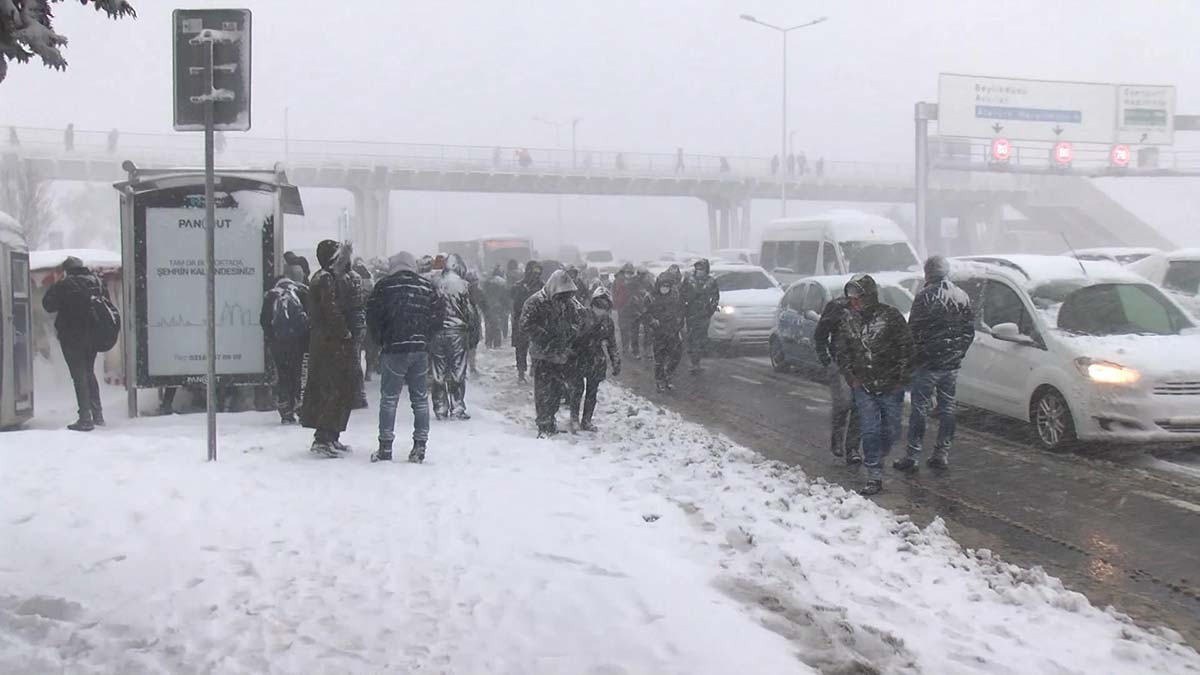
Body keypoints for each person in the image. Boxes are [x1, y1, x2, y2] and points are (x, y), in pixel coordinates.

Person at [895, 256, 975, 472]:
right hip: (951, 366)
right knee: (947, 408)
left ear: (928, 272)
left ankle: (912, 455)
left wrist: (913, 358)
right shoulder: (962, 296)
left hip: (927, 364)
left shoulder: (924, 297)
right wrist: (957, 354)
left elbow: (913, 331)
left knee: (919, 409)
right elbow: (968, 331)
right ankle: (941, 452)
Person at [836, 275, 914, 496]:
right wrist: (851, 376)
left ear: (868, 296)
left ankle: (879, 456)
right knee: (869, 430)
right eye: (851, 298)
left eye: (858, 298)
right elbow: (842, 351)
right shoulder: (848, 321)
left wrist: (901, 377)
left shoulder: (891, 317)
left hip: (891, 384)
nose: (854, 302)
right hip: (864, 386)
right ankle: (874, 475)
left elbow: (906, 347)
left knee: (891, 430)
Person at [367, 251, 445, 464]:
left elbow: (372, 316)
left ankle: (385, 447)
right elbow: (439, 315)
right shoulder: (427, 287)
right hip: (419, 348)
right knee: (419, 399)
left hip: (393, 348)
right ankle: (420, 446)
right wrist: (426, 336)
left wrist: (381, 338)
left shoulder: (384, 287)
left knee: (389, 399)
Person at [300, 240, 358, 457]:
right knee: (331, 389)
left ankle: (331, 435)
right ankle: (324, 437)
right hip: (330, 344)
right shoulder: (325, 279)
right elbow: (331, 310)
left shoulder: (326, 277)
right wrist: (345, 332)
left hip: (327, 342)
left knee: (334, 389)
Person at [41, 256, 106, 431]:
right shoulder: (96, 282)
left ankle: (85, 418)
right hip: (92, 336)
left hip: (72, 337)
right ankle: (97, 414)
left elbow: (48, 305)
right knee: (89, 372)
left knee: (79, 375)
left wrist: (55, 284)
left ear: (67, 270)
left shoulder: (65, 285)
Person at [521, 270, 585, 437]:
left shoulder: (569, 304)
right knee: (543, 390)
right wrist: (546, 336)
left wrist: (569, 334)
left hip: (560, 354)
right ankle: (543, 424)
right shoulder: (535, 302)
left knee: (556, 390)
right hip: (542, 354)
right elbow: (525, 325)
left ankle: (551, 420)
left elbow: (579, 320)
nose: (564, 298)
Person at [813, 280, 862, 464]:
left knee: (859, 408)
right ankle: (838, 439)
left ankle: (853, 448)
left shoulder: (871, 311)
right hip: (840, 366)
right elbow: (820, 335)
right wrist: (827, 360)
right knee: (843, 405)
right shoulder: (837, 308)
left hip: (862, 368)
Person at [430, 254, 478, 420]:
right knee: (457, 370)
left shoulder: (434, 282)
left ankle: (440, 407)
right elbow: (469, 311)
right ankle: (457, 407)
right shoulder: (464, 285)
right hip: (457, 331)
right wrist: (472, 332)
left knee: (438, 371)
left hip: (436, 332)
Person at [568, 287, 621, 431]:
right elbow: (571, 336)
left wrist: (616, 361)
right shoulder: (580, 315)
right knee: (577, 389)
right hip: (578, 356)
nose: (600, 309)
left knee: (592, 392)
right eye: (598, 305)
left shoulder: (608, 322)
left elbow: (612, 343)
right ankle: (574, 418)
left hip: (596, 359)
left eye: (604, 306)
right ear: (592, 304)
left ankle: (587, 420)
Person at [260, 276, 309, 424]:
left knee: (283, 376)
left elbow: (264, 320)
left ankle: (285, 412)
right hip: (298, 343)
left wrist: (272, 339)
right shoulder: (301, 293)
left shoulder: (271, 296)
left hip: (279, 344)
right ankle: (300, 406)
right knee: (298, 375)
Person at [639, 270, 686, 392]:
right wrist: (652, 321)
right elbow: (645, 313)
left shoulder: (675, 297)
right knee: (660, 358)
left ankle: (668, 376)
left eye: (667, 286)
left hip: (673, 331)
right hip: (658, 332)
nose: (665, 288)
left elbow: (680, 311)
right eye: (663, 286)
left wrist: (679, 324)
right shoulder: (651, 298)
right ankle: (659, 380)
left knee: (675, 356)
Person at [680, 258, 720, 374]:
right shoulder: (689, 280)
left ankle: (697, 360)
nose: (699, 271)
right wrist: (685, 307)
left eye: (701, 269)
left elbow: (715, 297)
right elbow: (683, 294)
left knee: (701, 338)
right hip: (691, 314)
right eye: (697, 269)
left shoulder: (711, 282)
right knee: (693, 337)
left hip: (704, 315)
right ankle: (694, 362)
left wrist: (710, 310)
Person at [510, 260, 544, 383]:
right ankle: (521, 373)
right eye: (534, 271)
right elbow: (515, 302)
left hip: (537, 320)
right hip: (521, 320)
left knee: (538, 346)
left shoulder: (542, 286)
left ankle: (535, 369)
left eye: (538, 272)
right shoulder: (518, 286)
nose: (536, 275)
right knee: (521, 348)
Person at [344, 251, 369, 409]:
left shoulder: (344, 279)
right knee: (355, 360)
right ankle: (359, 395)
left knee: (349, 361)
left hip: (349, 324)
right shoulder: (356, 277)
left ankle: (352, 396)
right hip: (358, 323)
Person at [353, 259, 379, 383]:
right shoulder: (370, 281)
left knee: (356, 347)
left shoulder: (351, 279)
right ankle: (368, 371)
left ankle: (357, 372)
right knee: (370, 347)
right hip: (369, 319)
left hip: (356, 319)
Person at [625, 267, 654, 359]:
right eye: (641, 274)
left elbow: (652, 294)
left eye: (644, 274)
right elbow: (628, 297)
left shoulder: (649, 282)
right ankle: (635, 351)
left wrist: (648, 307)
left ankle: (647, 350)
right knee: (635, 332)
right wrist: (635, 307)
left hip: (646, 309)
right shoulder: (632, 283)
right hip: (635, 310)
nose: (642, 276)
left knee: (648, 331)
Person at [483, 265, 511, 349]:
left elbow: (484, 294)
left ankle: (488, 343)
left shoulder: (487, 281)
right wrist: (507, 307)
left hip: (488, 306)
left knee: (488, 325)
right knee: (497, 325)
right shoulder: (503, 282)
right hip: (499, 306)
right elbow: (505, 296)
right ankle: (497, 344)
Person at [465, 268, 485, 376]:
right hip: (469, 321)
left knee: (472, 345)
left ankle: (471, 367)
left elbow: (483, 304)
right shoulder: (467, 291)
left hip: (472, 321)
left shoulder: (467, 291)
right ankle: (470, 367)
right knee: (470, 345)